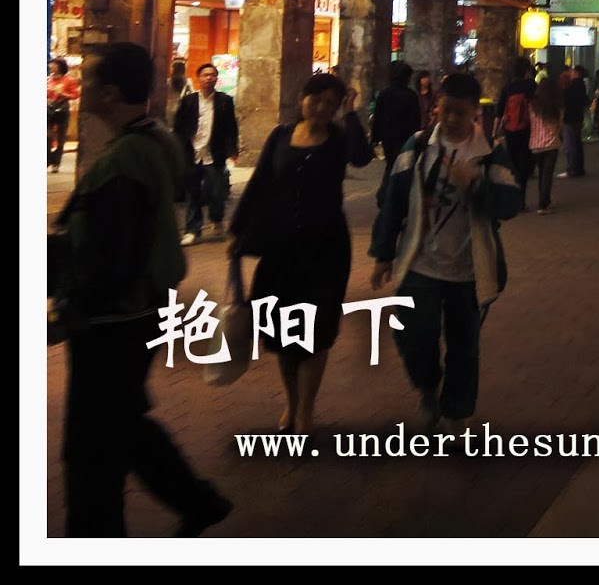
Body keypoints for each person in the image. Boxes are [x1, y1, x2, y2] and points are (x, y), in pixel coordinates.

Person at [52, 42, 233, 536]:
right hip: (138, 311)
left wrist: (70, 304)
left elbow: (111, 254)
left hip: (113, 319)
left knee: (93, 453)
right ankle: (196, 500)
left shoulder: (124, 160)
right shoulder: (153, 140)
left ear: (110, 92)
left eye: (87, 80)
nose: (80, 86)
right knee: (125, 422)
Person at [369, 72, 521, 436]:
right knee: (411, 332)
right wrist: (383, 253)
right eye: (445, 110)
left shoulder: (490, 154)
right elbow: (391, 199)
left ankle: (456, 411)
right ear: (436, 106)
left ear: (475, 114)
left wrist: (476, 184)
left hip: (469, 269)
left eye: (460, 112)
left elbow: (510, 203)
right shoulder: (418, 146)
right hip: (421, 262)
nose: (451, 118)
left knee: (464, 346)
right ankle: (427, 385)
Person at [228, 73, 374, 436]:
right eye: (317, 99)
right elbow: (260, 182)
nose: (323, 108)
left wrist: (352, 113)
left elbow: (363, 156)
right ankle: (290, 404)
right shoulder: (279, 136)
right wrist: (237, 230)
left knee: (315, 331)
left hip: (325, 250)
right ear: (303, 98)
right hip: (281, 248)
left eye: (331, 103)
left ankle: (306, 410)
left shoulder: (339, 139)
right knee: (281, 333)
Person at [171, 61, 240, 246]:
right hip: (193, 152)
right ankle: (193, 229)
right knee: (193, 193)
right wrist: (177, 147)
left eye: (212, 75)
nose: (208, 78)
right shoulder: (189, 101)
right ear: (198, 78)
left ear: (217, 78)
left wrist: (232, 149)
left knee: (216, 191)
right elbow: (178, 126)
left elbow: (231, 127)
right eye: (205, 75)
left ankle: (216, 219)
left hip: (214, 152)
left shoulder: (225, 101)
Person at [371, 60, 424, 207]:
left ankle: (386, 194)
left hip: (388, 136)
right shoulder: (410, 95)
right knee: (401, 165)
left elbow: (377, 117)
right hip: (405, 137)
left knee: (392, 164)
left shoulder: (384, 93)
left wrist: (375, 138)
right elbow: (415, 119)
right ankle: (388, 195)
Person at [493, 56, 537, 195]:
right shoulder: (531, 85)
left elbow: (499, 112)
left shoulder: (508, 87)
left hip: (510, 129)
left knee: (512, 162)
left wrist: (494, 132)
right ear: (526, 70)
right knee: (524, 161)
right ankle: (521, 196)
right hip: (527, 128)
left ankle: (512, 193)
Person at [525, 76, 564, 213]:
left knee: (541, 172)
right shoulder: (556, 106)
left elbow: (529, 123)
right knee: (547, 173)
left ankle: (543, 200)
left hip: (535, 143)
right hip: (552, 142)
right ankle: (544, 203)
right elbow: (559, 125)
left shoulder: (532, 105)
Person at [47, 56, 80, 172]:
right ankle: (48, 159)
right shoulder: (48, 80)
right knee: (47, 136)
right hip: (49, 110)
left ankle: (56, 163)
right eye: (51, 64)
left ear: (60, 66)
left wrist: (63, 94)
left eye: (54, 64)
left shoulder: (69, 80)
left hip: (62, 110)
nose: (51, 66)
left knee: (61, 139)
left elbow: (75, 95)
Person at [558, 64, 589, 179]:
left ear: (577, 73)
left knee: (571, 145)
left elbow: (564, 98)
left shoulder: (572, 87)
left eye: (573, 72)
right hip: (578, 117)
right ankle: (579, 168)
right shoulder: (582, 85)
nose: (571, 74)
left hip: (570, 118)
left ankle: (572, 169)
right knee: (577, 143)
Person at [166, 58, 194, 127]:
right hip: (183, 109)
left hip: (169, 108)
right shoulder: (188, 82)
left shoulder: (168, 82)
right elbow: (192, 96)